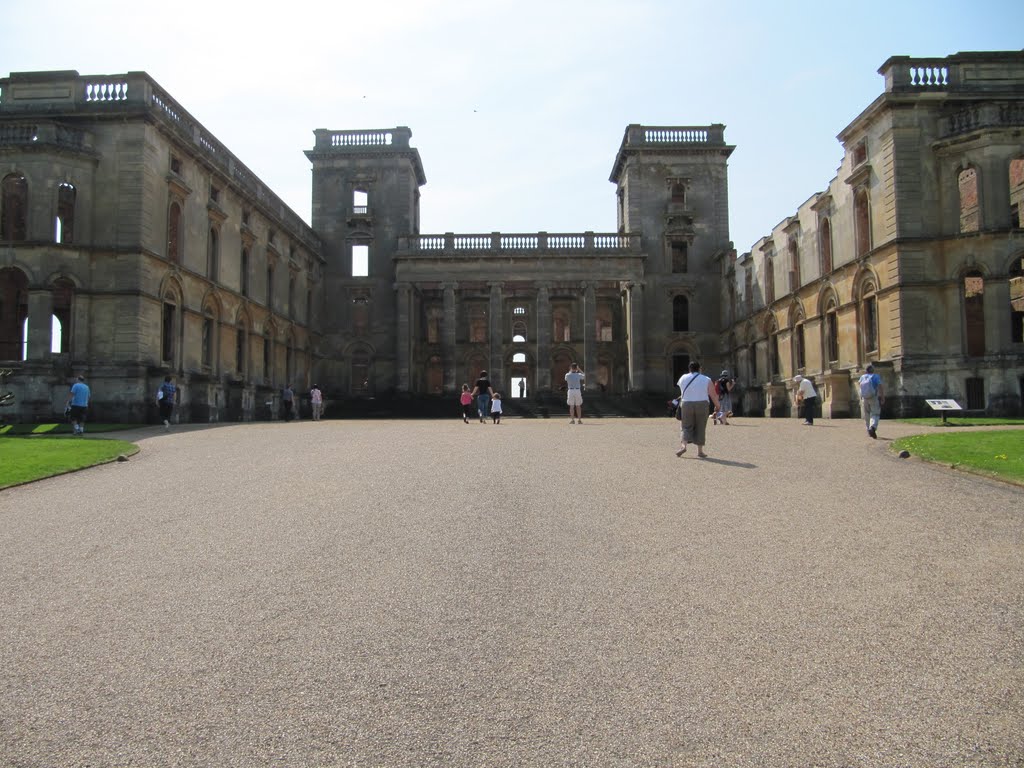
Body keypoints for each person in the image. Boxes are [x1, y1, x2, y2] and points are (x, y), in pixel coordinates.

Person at [675, 361, 720, 458]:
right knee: (701, 426)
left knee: (686, 426)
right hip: (702, 404)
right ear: (699, 369)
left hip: (686, 404)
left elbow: (682, 391)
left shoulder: (683, 378)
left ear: (689, 369)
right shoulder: (706, 379)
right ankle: (700, 451)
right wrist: (718, 406)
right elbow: (713, 394)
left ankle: (683, 446)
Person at [858, 363, 885, 438]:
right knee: (875, 413)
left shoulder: (862, 377)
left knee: (866, 414)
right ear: (873, 370)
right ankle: (872, 427)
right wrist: (882, 397)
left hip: (864, 398)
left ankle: (868, 429)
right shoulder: (875, 376)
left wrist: (860, 398)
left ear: (866, 371)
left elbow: (859, 386)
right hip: (873, 397)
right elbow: (880, 387)